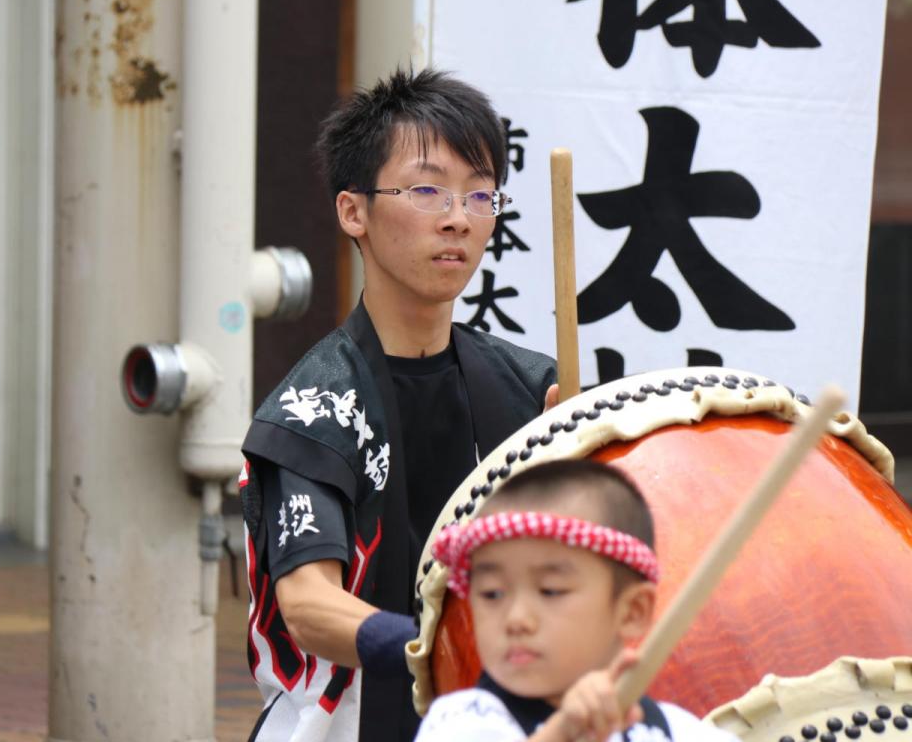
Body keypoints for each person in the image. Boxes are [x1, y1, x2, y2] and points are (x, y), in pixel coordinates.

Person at [238, 68, 558, 742]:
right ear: (353, 211)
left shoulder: (532, 389)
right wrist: (443, 649)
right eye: (426, 190)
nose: (457, 217)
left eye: (479, 194)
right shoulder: (312, 412)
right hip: (345, 724)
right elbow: (309, 604)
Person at [416, 459, 739, 742]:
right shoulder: (464, 720)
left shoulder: (677, 731)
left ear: (631, 611)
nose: (516, 618)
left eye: (550, 590)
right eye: (492, 594)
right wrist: (563, 734)